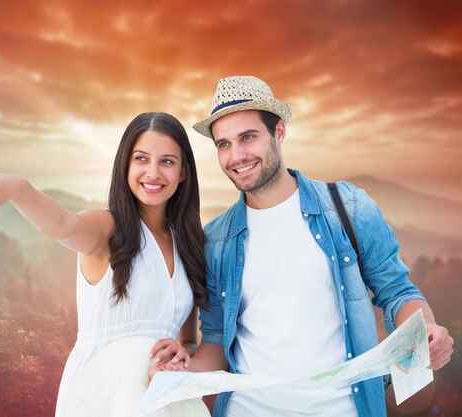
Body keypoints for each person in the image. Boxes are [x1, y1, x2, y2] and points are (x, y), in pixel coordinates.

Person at [171, 76, 454, 417]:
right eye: (224, 144)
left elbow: (396, 293)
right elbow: (216, 339)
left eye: (248, 137)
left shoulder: (348, 207)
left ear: (278, 132)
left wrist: (426, 332)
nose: (237, 155)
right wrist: (180, 374)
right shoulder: (216, 239)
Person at [0, 112, 211, 417]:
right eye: (141, 159)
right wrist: (17, 188)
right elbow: (63, 225)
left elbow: (188, 341)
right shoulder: (108, 227)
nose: (152, 172)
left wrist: (181, 353)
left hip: (160, 397)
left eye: (166, 161)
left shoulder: (189, 245)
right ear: (125, 164)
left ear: (183, 172)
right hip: (97, 392)